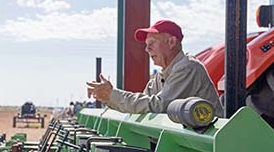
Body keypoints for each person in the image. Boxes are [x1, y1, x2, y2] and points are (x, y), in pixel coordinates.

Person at [87, 20, 224, 117]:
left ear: (171, 42)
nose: (147, 49)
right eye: (146, 44)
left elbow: (158, 107)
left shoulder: (187, 68)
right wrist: (107, 97)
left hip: (206, 150)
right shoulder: (161, 75)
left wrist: (111, 94)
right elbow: (142, 107)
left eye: (152, 43)